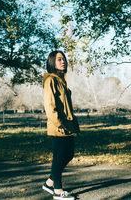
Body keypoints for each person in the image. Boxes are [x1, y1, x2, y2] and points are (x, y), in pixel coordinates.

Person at [42, 51, 80, 200]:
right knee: (59, 157)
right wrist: (58, 123)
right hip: (58, 126)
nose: (63, 61)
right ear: (52, 62)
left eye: (63, 59)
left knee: (68, 154)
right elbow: (49, 105)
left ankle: (49, 182)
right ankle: (57, 191)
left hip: (67, 125)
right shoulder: (50, 80)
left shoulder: (60, 80)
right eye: (59, 59)